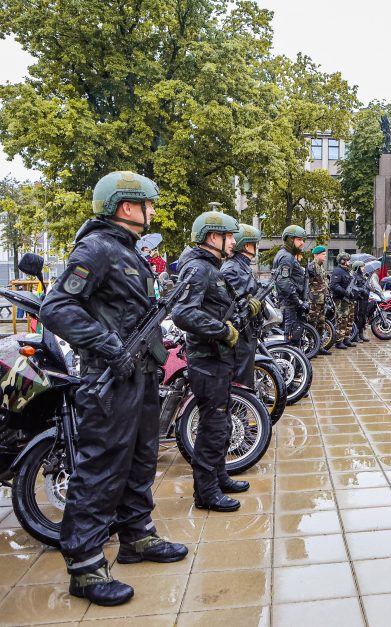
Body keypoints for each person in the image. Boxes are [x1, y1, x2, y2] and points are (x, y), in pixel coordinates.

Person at [39, 171, 187, 606]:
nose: (154, 211)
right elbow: (57, 306)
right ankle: (85, 568)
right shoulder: (97, 248)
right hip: (108, 378)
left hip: (138, 375)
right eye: (148, 204)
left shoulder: (129, 252)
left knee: (141, 459)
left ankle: (137, 537)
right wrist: (108, 344)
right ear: (127, 206)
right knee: (101, 468)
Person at [171, 211, 246, 512]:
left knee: (221, 422)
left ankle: (219, 476)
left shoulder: (210, 267)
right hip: (207, 360)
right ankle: (206, 493)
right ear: (214, 237)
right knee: (212, 426)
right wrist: (222, 330)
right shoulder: (199, 269)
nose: (233, 243)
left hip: (217, 358)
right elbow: (182, 313)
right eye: (230, 237)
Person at [220, 223, 264, 387]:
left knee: (246, 375)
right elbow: (236, 301)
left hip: (248, 330)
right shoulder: (232, 268)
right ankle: (241, 410)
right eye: (255, 243)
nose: (256, 247)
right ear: (246, 244)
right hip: (241, 331)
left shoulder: (242, 265)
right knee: (241, 379)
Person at [272, 225, 308, 347]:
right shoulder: (286, 257)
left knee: (293, 338)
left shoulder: (287, 255)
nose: (302, 243)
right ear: (290, 239)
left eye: (303, 240)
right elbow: (283, 282)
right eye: (299, 240)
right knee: (291, 340)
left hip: (290, 304)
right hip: (290, 305)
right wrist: (298, 301)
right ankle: (290, 365)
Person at [306, 245, 331, 355]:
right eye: (323, 254)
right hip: (314, 301)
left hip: (322, 300)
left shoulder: (321, 267)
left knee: (321, 323)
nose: (325, 256)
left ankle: (319, 346)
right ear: (316, 255)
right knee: (312, 323)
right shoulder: (311, 266)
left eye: (325, 254)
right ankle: (311, 347)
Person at [329, 252, 356, 348]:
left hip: (348, 300)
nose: (349, 262)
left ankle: (346, 338)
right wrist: (345, 292)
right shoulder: (338, 271)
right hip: (341, 299)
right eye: (348, 260)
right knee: (342, 320)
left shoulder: (347, 271)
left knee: (349, 320)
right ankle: (339, 341)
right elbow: (333, 285)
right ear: (342, 261)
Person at [350, 261, 371, 343]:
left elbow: (366, 286)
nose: (363, 268)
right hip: (359, 299)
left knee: (363, 317)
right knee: (358, 318)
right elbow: (353, 287)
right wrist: (361, 290)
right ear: (357, 268)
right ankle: (356, 335)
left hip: (364, 300)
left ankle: (361, 334)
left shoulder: (362, 276)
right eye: (362, 267)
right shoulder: (354, 276)